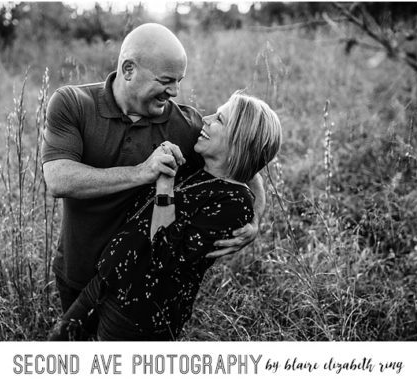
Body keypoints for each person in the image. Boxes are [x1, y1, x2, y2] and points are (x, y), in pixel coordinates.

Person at [41, 23, 266, 339]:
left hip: (137, 296)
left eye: (179, 81)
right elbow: (58, 179)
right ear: (129, 70)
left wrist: (254, 220)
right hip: (79, 269)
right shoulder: (73, 104)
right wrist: (142, 172)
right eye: (166, 81)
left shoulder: (186, 126)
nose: (174, 91)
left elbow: (243, 161)